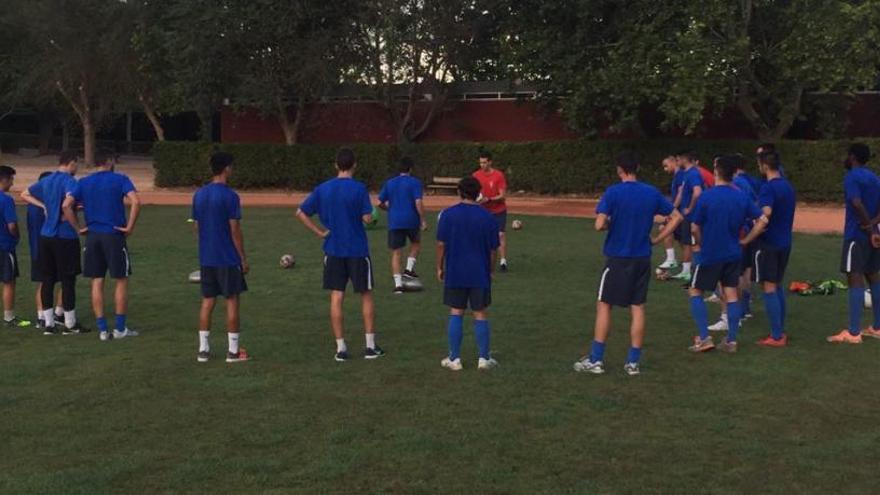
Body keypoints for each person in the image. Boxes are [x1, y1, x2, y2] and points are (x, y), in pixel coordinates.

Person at [574, 152, 682, 375]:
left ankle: (596, 359)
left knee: (604, 304)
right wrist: (657, 239)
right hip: (642, 257)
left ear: (619, 170)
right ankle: (633, 362)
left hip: (618, 258)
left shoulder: (613, 192)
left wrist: (609, 223)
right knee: (638, 307)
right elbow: (677, 217)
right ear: (637, 168)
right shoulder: (651, 192)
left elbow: (598, 224)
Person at [297, 147, 384, 362]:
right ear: (354, 164)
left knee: (337, 297)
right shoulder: (359, 189)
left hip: (333, 249)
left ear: (336, 165)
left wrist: (320, 232)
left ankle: (341, 348)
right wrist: (372, 217)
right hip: (357, 250)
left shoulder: (323, 189)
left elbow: (301, 212)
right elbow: (367, 218)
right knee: (365, 294)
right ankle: (370, 347)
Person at [687, 155, 762, 353]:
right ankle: (731, 340)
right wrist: (746, 240)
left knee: (695, 291)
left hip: (710, 253)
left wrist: (702, 243)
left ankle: (704, 338)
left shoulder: (707, 196)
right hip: (733, 253)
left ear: (717, 172)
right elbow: (762, 220)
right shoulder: (741, 196)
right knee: (731, 294)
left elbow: (694, 227)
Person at [65, 153, 141, 341]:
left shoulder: (83, 182)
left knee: (97, 281)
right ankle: (120, 328)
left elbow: (66, 205)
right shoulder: (120, 179)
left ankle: (102, 330)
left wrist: (78, 228)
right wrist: (130, 227)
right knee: (121, 280)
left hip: (93, 236)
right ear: (110, 161)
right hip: (113, 234)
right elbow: (136, 201)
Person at [436, 176, 500, 371]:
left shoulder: (447, 215)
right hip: (479, 272)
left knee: (456, 311)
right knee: (480, 312)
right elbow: (493, 249)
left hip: (455, 271)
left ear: (459, 192)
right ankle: (483, 358)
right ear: (478, 193)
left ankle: (454, 358)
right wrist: (490, 269)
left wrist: (439, 267)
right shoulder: (488, 217)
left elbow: (441, 244)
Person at [21, 150, 88, 335]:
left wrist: (43, 206)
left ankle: (49, 324)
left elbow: (25, 193)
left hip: (45, 235)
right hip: (64, 236)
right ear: (72, 162)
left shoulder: (47, 180)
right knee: (68, 279)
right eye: (77, 163)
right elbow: (67, 205)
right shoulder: (70, 181)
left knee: (48, 279)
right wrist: (77, 227)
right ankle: (69, 323)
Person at [191, 152, 250, 362]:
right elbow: (234, 229)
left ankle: (203, 350)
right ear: (226, 168)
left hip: (207, 258)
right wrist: (242, 257)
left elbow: (196, 226)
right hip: (227, 258)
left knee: (207, 302)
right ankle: (233, 352)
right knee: (232, 301)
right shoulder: (230, 196)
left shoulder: (198, 195)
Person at [737, 150, 796, 346]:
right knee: (777, 284)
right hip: (785, 242)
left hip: (768, 244)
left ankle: (776, 336)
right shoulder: (788, 186)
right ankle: (780, 329)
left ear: (763, 165)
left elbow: (765, 215)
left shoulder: (768, 188)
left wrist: (748, 239)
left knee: (768, 287)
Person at [827, 143, 880, 344]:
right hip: (874, 234)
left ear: (852, 157)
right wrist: (874, 224)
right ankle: (877, 327)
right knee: (873, 276)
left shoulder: (852, 177)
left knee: (854, 278)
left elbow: (856, 202)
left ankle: (854, 332)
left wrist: (867, 225)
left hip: (856, 235)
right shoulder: (875, 178)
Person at [708, 154, 759, 331]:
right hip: (743, 234)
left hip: (734, 236)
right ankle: (742, 311)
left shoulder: (736, 186)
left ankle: (732, 316)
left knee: (731, 279)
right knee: (742, 273)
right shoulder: (747, 183)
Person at [377, 157, 427, 293]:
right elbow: (418, 202)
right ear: (411, 169)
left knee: (396, 253)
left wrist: (389, 209)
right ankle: (409, 270)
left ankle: (398, 285)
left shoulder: (390, 183)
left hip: (395, 221)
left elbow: (380, 202)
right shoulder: (416, 182)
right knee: (416, 244)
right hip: (411, 220)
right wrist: (423, 219)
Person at [27, 171, 62, 328]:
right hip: (48, 248)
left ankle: (42, 316)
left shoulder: (32, 206)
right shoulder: (44, 207)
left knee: (43, 282)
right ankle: (58, 313)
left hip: (37, 249)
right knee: (64, 280)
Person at [0, 166, 29, 327]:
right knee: (9, 281)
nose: (12, 183)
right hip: (4, 246)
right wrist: (17, 236)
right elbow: (12, 225)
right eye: (11, 179)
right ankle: (9, 317)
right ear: (4, 179)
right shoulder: (6, 200)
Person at [472, 150, 509, 272]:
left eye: (484, 162)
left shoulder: (498, 175)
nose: (482, 165)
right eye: (480, 163)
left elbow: (502, 196)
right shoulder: (475, 176)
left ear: (490, 162)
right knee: (482, 236)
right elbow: (472, 193)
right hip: (482, 212)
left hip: (498, 211)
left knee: (500, 235)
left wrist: (488, 199)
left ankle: (503, 261)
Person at [671, 150, 704, 282]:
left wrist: (689, 208)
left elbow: (697, 192)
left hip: (692, 216)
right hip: (688, 215)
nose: (678, 161)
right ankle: (688, 270)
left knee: (691, 243)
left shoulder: (693, 174)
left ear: (685, 159)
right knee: (686, 242)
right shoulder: (687, 174)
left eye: (679, 159)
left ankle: (693, 270)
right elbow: (682, 192)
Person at [658, 155, 682, 270]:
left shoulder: (680, 175)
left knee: (665, 228)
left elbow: (680, 194)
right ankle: (675, 260)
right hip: (680, 212)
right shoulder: (677, 176)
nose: (665, 169)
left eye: (666, 166)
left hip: (681, 213)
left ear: (673, 162)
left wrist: (672, 210)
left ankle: (672, 259)